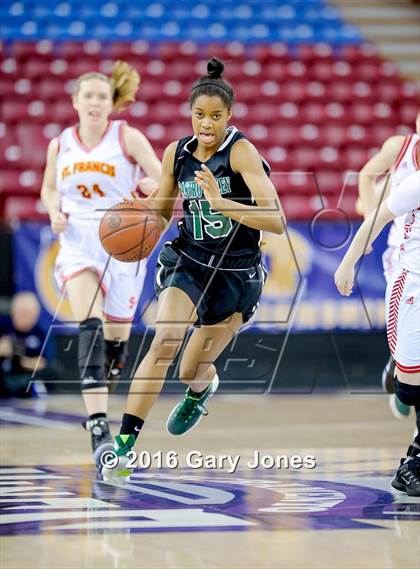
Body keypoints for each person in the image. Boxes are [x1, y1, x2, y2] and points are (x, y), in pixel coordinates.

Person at [101, 57, 286, 482]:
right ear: (191, 114)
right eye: (199, 115)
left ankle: (201, 389)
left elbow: (276, 218)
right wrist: (141, 209)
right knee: (163, 341)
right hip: (188, 261)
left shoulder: (241, 151)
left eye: (215, 116)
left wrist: (223, 204)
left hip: (236, 274)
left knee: (188, 369)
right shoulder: (177, 153)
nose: (206, 124)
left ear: (229, 116)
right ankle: (124, 446)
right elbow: (162, 213)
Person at [40, 60, 162, 468]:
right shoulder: (60, 144)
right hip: (76, 242)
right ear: (75, 101)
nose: (94, 102)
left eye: (101, 96)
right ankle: (97, 426)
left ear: (112, 104)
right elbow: (49, 188)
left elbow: (164, 179)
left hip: (122, 244)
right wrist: (53, 209)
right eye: (87, 95)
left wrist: (150, 186)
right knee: (88, 327)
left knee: (114, 346)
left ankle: (110, 371)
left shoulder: (126, 137)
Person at [335, 170, 420, 497]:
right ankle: (396, 372)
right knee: (411, 388)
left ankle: (413, 463)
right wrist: (347, 262)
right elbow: (376, 218)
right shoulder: (415, 183)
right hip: (412, 285)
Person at [357, 113, 419, 421]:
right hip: (402, 253)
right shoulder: (400, 147)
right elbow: (366, 176)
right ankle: (400, 363)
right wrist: (370, 218)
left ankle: (404, 368)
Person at [0, 292, 54, 397]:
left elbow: (44, 361)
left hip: (24, 374)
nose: (25, 317)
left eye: (29, 313)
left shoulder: (40, 331)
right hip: (4, 373)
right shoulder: (3, 324)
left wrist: (24, 361)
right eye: (22, 313)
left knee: (51, 373)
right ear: (13, 312)